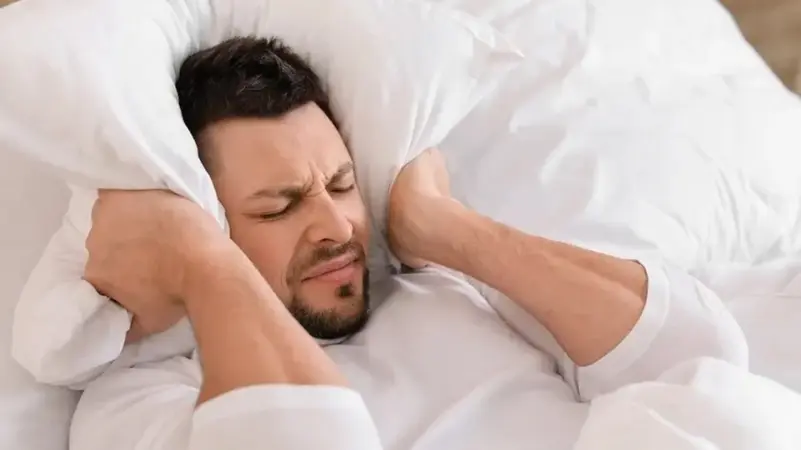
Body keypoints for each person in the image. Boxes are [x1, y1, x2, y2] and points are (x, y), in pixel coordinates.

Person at [70, 37, 747, 450]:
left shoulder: (448, 289)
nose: (337, 227)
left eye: (341, 185)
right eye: (279, 207)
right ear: (206, 221)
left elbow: (698, 361)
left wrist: (438, 223)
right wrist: (199, 261)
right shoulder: (142, 401)